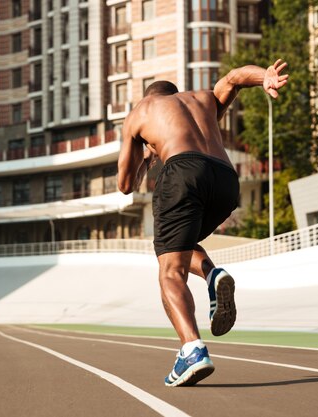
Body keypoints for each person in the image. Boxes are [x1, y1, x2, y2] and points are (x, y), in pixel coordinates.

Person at [117, 60, 289, 387]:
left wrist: (147, 155)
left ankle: (192, 349)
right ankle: (213, 274)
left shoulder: (142, 111)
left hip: (182, 173)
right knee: (179, 247)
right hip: (225, 181)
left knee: (169, 270)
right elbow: (235, 79)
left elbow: (126, 185)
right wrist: (264, 76)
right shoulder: (202, 99)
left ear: (149, 98)